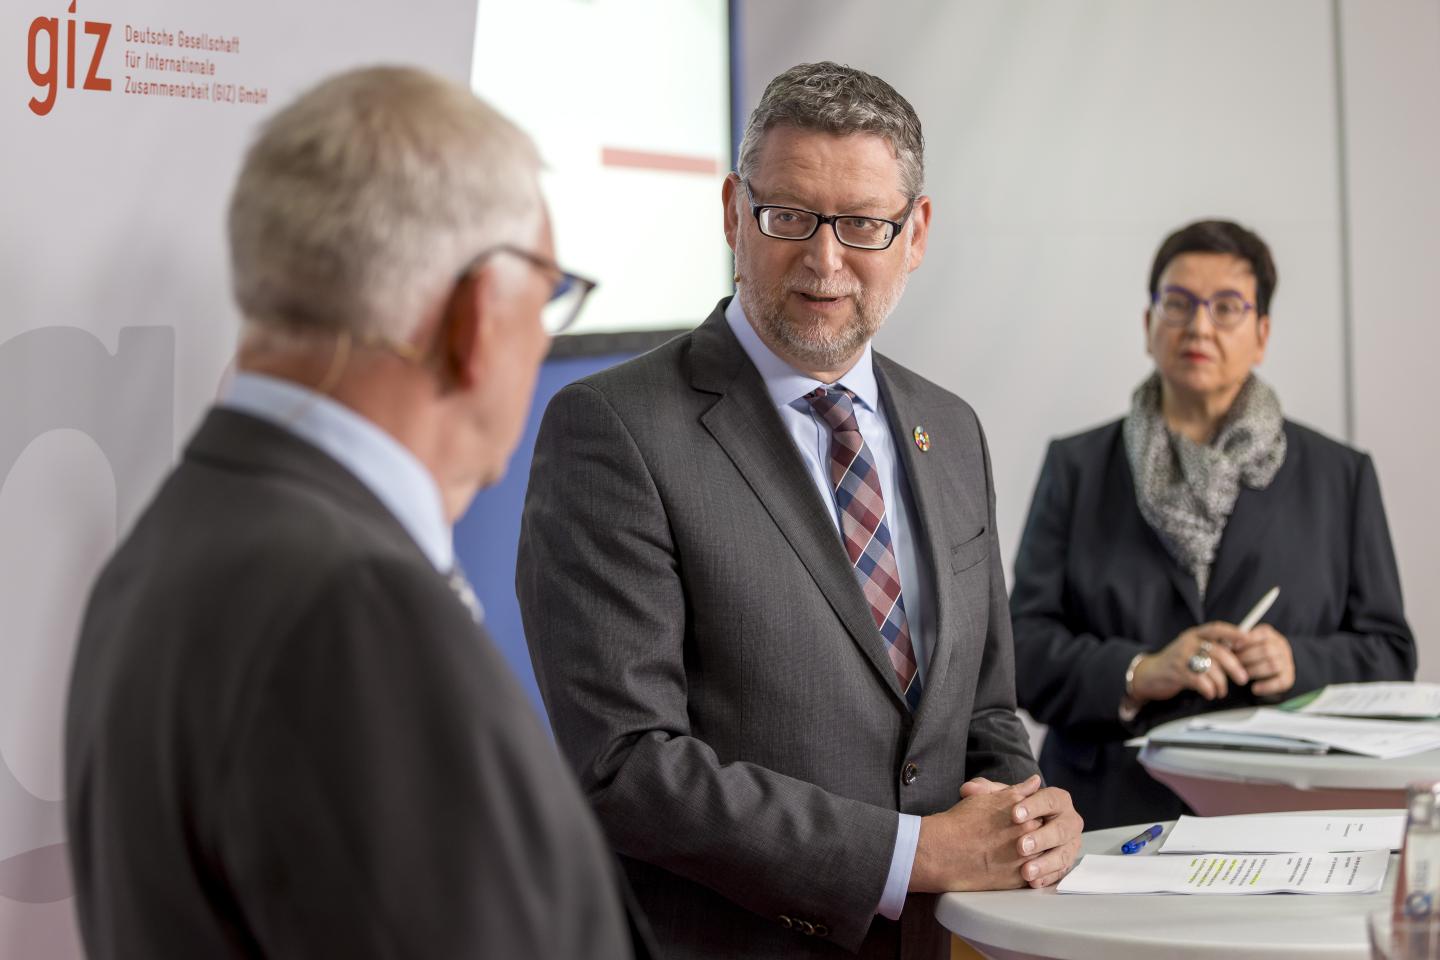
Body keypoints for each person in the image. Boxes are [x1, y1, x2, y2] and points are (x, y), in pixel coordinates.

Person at [64, 66, 651, 958]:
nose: (544, 338)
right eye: (549, 297)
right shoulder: (353, 607)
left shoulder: (180, 535)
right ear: (479, 317)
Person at [517, 61, 1082, 959]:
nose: (825, 260)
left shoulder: (951, 428)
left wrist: (1026, 812)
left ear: (916, 231)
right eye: (789, 218)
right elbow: (623, 766)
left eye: (862, 224)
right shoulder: (613, 430)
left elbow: (983, 710)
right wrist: (910, 854)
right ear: (735, 212)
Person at [1011, 218, 1416, 830]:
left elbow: (1390, 653)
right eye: (1178, 304)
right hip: (1106, 817)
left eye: (1226, 307)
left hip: (1287, 814)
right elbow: (1021, 653)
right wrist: (1140, 672)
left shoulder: (1340, 476)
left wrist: (1296, 664)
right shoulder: (1078, 467)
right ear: (1149, 326)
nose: (1199, 326)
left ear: (1262, 333)